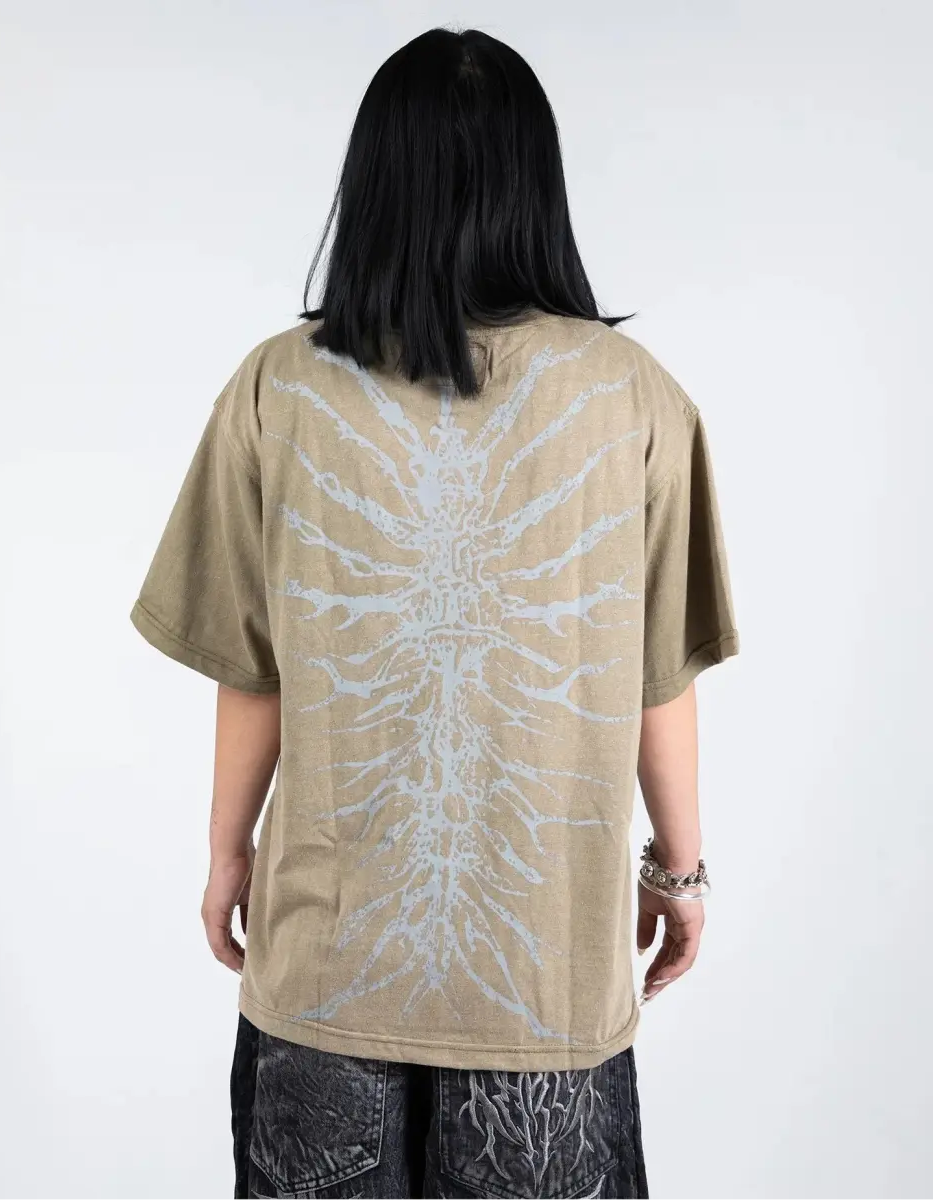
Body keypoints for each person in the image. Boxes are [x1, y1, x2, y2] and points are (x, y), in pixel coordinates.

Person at [130, 26, 738, 1200]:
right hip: (548, 996)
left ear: (374, 182)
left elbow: (251, 669)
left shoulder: (278, 387)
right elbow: (659, 676)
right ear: (535, 185)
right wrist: (681, 874)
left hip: (325, 975)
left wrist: (227, 854)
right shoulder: (639, 402)